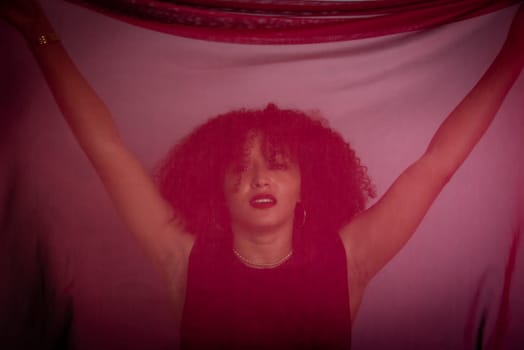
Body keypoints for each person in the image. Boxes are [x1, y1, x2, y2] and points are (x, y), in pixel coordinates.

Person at [1, 0, 523, 348]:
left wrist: (515, 51)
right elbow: (106, 151)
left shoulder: (351, 258)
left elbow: (437, 164)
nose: (258, 178)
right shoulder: (181, 256)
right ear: (218, 192)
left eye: (276, 163)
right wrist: (39, 32)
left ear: (304, 187)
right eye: (239, 168)